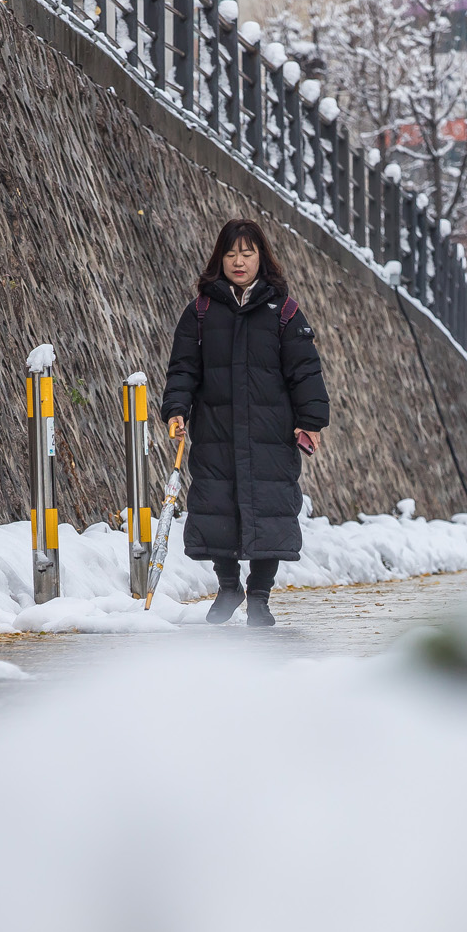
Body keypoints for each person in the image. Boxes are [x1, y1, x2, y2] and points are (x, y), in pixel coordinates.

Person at [161, 218, 331, 626]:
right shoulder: (200, 312)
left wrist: (311, 420)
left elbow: (305, 371)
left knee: (270, 511)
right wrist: (176, 409)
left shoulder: (285, 312)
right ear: (220, 258)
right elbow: (183, 369)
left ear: (262, 258)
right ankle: (229, 586)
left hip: (270, 435)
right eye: (231, 253)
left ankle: (259, 596)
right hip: (217, 432)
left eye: (247, 253)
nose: (239, 261)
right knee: (216, 509)